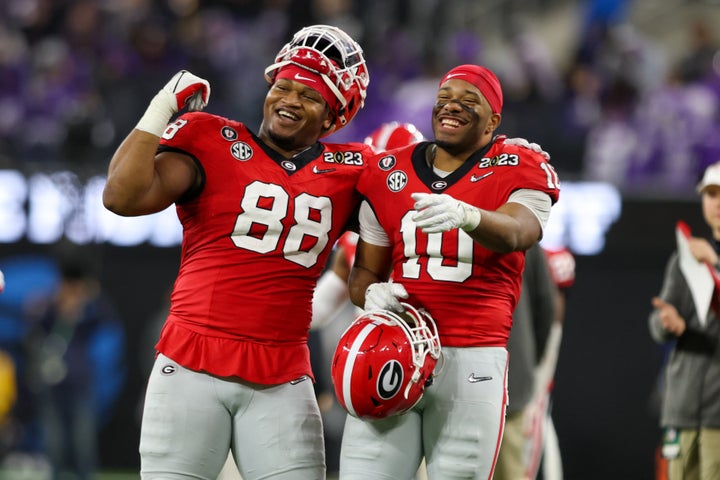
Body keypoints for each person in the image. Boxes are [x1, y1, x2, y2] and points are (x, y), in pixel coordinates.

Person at [102, 25, 372, 479]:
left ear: (333, 117)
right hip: (191, 364)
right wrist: (161, 106)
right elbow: (121, 197)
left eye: (309, 95)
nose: (289, 99)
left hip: (284, 376)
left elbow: (410, 200)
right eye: (283, 86)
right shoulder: (210, 139)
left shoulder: (352, 169)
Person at [342, 63, 561, 479]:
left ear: (493, 120)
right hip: (396, 350)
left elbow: (518, 232)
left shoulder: (520, 164)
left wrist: (469, 215)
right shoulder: (388, 172)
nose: (451, 107)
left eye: (467, 101)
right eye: (444, 99)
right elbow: (363, 276)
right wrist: (371, 295)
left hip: (474, 357)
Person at [24, 252, 125, 480]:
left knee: (83, 444)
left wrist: (89, 301)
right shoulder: (52, 303)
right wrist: (55, 305)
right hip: (52, 384)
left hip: (80, 383)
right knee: (54, 444)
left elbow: (106, 319)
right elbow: (34, 328)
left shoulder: (91, 306)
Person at [648, 161, 720, 480]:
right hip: (683, 408)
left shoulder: (704, 255)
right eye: (711, 194)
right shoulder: (686, 257)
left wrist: (716, 264)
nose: (716, 202)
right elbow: (657, 322)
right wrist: (667, 322)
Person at [494, 244, 557, 480]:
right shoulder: (523, 238)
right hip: (512, 377)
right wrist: (530, 358)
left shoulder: (524, 240)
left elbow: (546, 305)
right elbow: (546, 307)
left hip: (504, 383)